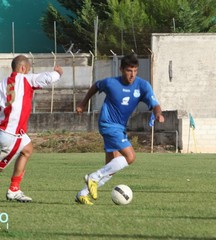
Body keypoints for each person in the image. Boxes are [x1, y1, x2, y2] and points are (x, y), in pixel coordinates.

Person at [75, 53, 165, 205]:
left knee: (112, 166)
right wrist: (83, 104)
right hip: (108, 124)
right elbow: (95, 86)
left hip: (120, 127)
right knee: (130, 157)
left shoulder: (142, 86)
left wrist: (158, 114)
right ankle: (93, 177)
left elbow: (155, 103)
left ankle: (82, 193)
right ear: (122, 69)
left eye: (135, 70)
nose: (132, 74)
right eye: (129, 70)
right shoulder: (111, 83)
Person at [0, 54, 63, 202]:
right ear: (23, 68)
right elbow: (48, 77)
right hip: (12, 134)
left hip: (7, 131)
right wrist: (58, 72)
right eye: (28, 69)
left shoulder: (3, 83)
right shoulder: (26, 79)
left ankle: (14, 190)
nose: (29, 71)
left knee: (27, 149)